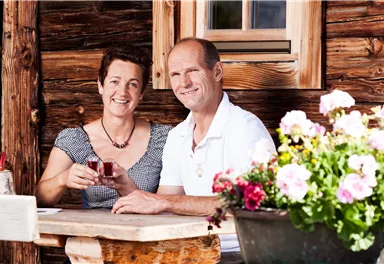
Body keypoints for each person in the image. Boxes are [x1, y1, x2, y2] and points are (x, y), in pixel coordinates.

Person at [111, 37, 275, 262]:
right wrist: (127, 188)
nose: (184, 82)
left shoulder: (245, 127)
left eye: (193, 70)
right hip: (193, 253)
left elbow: (247, 202)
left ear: (217, 72)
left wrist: (163, 203)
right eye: (175, 75)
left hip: (241, 254)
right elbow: (164, 203)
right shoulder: (177, 135)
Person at [35, 45, 172, 209]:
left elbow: (170, 206)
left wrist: (124, 186)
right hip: (91, 233)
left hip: (144, 232)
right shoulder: (75, 139)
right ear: (100, 85)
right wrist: (62, 179)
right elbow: (38, 199)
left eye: (133, 84)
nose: (122, 92)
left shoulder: (165, 139)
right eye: (115, 81)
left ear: (141, 93)